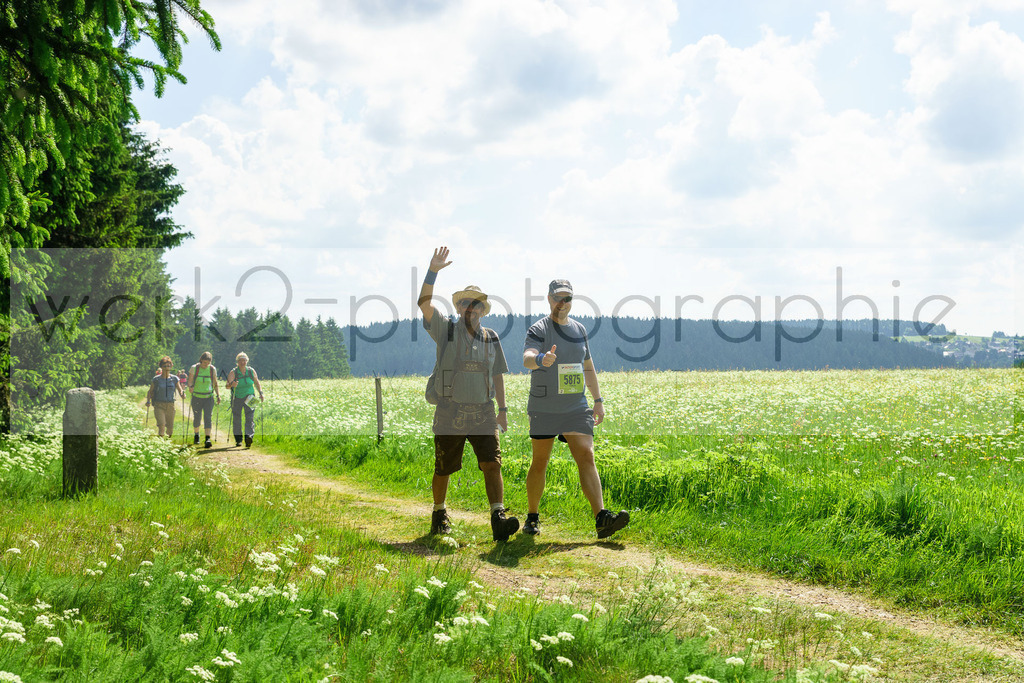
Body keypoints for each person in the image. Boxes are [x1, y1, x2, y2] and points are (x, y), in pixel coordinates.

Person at [418, 246, 519, 542]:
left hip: (484, 412)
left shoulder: (491, 337)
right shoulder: (445, 330)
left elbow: (498, 373)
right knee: (444, 467)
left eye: (475, 305)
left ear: (482, 310)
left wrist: (503, 409)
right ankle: (439, 513)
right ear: (458, 307)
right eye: (464, 303)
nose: (470, 308)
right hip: (450, 411)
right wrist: (432, 270)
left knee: (492, 463)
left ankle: (498, 518)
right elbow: (424, 304)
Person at [522, 279, 630, 539]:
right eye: (558, 297)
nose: (563, 303)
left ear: (572, 301)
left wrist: (598, 400)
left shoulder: (579, 329)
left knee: (586, 454)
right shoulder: (539, 328)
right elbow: (526, 358)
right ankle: (533, 516)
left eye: (567, 299)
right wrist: (540, 359)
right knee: (540, 461)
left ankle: (601, 518)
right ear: (549, 298)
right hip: (545, 406)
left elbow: (588, 367)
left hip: (575, 406)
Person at [225, 352, 263, 448]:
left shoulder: (251, 371)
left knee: (250, 418)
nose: (242, 362)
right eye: (240, 361)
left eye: (244, 360)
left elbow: (257, 382)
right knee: (237, 419)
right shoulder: (233, 372)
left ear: (247, 361)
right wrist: (231, 385)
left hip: (250, 397)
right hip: (237, 397)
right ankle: (238, 440)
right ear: (237, 362)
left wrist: (261, 393)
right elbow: (227, 386)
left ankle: (248, 437)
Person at [188, 351, 221, 448]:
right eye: (204, 362)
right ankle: (197, 435)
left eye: (208, 363)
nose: (206, 365)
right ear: (201, 360)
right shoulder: (194, 368)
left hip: (208, 397)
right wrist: (190, 387)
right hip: (196, 396)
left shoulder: (212, 369)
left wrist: (218, 395)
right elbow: (190, 381)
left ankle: (207, 438)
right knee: (197, 417)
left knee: (208, 417)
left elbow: (215, 383)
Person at [146, 356, 185, 438]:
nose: (167, 368)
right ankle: (161, 443)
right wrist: (148, 401)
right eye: (164, 366)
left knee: (170, 428)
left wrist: (182, 394)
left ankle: (167, 444)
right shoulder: (156, 379)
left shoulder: (174, 378)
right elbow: (150, 391)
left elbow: (180, 390)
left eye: (168, 366)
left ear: (171, 366)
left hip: (170, 405)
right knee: (162, 425)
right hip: (159, 405)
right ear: (161, 367)